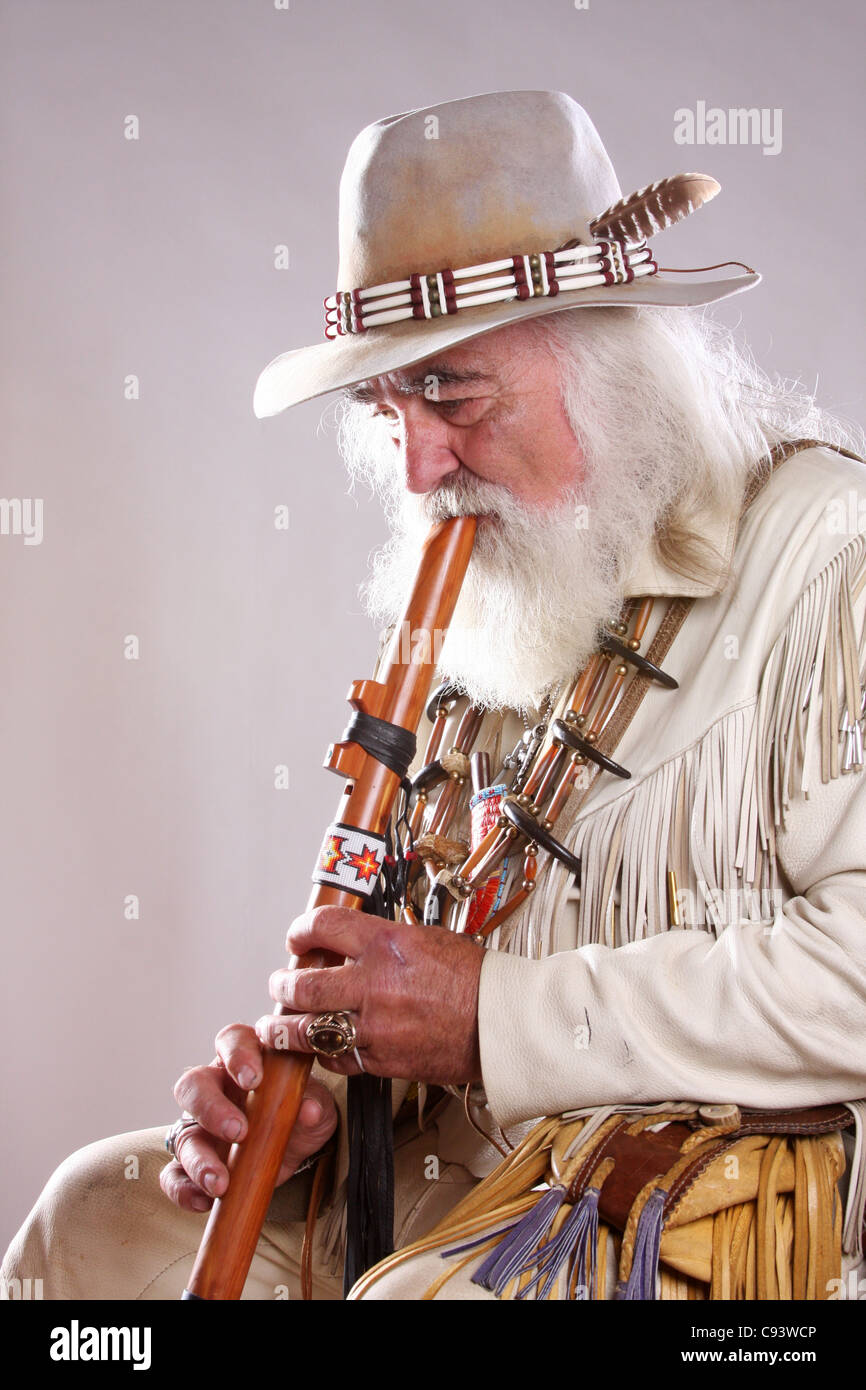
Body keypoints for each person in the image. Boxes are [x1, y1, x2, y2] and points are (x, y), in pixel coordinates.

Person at [3, 90, 865, 1302]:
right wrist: (332, 1093)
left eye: (454, 393)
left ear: (606, 353)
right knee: (88, 1222)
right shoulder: (514, 582)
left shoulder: (831, 552)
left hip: (701, 1199)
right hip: (467, 1172)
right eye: (386, 405)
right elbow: (460, 942)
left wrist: (495, 1020)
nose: (417, 467)